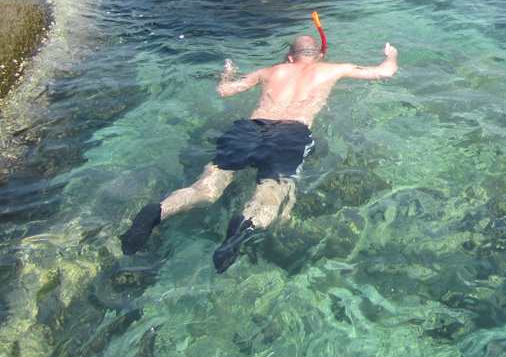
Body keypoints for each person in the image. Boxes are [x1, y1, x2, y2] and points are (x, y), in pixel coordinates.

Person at [120, 34, 399, 272]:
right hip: (291, 132)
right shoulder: (333, 69)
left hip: (249, 129)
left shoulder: (269, 71)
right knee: (272, 194)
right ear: (319, 55)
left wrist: (227, 72)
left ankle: (159, 211)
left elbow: (225, 91)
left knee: (205, 188)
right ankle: (244, 225)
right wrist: (391, 55)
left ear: (289, 56)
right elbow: (385, 72)